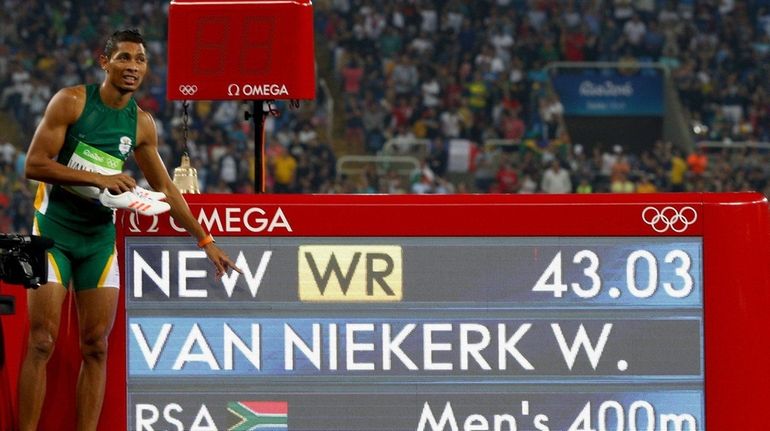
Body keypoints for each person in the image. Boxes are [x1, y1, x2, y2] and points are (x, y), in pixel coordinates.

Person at [19, 29, 241, 430]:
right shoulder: (71, 101)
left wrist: (205, 240)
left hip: (98, 241)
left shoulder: (141, 124)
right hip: (52, 233)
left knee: (96, 347)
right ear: (104, 62)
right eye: (124, 58)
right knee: (41, 342)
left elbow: (166, 188)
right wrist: (103, 180)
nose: (133, 67)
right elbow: (34, 165)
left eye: (140, 60)